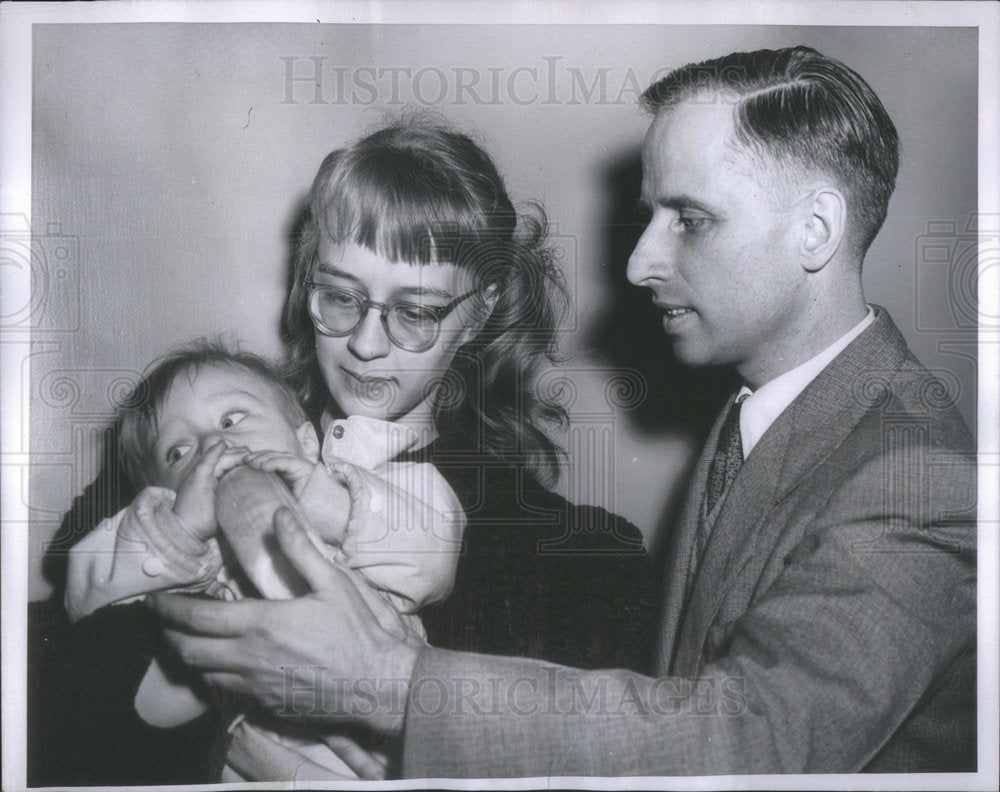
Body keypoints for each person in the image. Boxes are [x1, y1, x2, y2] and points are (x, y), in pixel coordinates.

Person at [150, 46, 977, 775]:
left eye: (688, 219)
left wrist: (387, 684)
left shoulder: (916, 475)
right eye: (340, 296)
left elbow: (752, 745)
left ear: (816, 231)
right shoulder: (762, 416)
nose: (641, 259)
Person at [29, 121, 655, 785]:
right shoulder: (175, 454)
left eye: (415, 311)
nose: (364, 343)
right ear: (307, 279)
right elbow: (49, 710)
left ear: (478, 312)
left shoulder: (565, 550)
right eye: (340, 296)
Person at [63, 343, 464, 781]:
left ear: (306, 442)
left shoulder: (367, 483)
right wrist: (178, 533)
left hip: (405, 742)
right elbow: (87, 601)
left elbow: (435, 554)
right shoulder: (184, 555)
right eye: (177, 452)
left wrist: (331, 504)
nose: (210, 445)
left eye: (232, 420)